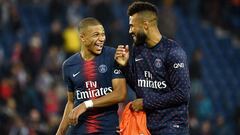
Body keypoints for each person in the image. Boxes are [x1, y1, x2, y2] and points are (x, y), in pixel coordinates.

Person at [115, 1, 190, 135]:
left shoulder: (173, 52)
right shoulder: (138, 49)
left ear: (145, 25)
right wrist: (125, 66)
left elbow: (182, 94)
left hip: (172, 127)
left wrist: (145, 103)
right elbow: (140, 87)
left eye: (132, 26)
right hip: (145, 127)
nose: (130, 31)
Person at [56, 17, 127, 135]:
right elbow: (71, 102)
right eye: (96, 35)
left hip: (107, 130)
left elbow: (120, 93)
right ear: (82, 37)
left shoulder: (112, 56)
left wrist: (86, 104)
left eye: (103, 34)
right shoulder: (68, 65)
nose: (101, 39)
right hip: (79, 130)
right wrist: (60, 132)